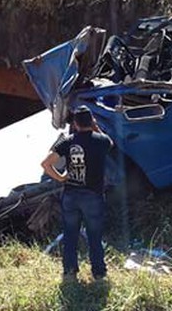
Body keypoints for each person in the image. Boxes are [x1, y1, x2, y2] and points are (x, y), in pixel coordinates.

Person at [41, 106, 113, 281]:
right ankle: (98, 274)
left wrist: (62, 178)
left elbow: (45, 164)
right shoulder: (101, 141)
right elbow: (111, 143)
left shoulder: (67, 141)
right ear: (91, 122)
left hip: (71, 196)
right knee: (94, 236)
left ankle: (69, 273)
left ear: (75, 123)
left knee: (70, 235)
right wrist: (95, 127)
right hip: (93, 196)